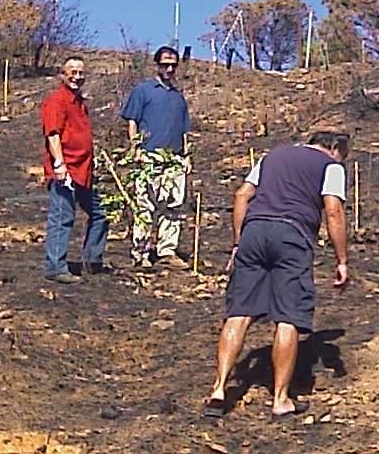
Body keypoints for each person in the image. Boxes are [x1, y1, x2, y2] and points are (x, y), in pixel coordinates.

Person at [206, 131, 351, 419]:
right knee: (288, 317)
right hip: (292, 235)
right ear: (334, 148)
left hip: (254, 232)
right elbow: (333, 211)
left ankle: (219, 389)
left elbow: (242, 195)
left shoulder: (272, 156)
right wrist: (342, 260)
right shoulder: (330, 166)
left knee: (239, 313)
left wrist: (238, 243)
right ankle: (281, 399)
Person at [120, 45, 193, 270]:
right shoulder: (143, 91)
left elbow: (184, 130)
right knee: (144, 205)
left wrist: (186, 156)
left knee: (173, 205)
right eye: (165, 65)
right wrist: (135, 149)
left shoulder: (178, 97)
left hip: (174, 159)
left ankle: (167, 251)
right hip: (148, 157)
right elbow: (132, 121)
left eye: (173, 66)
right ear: (157, 65)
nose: (169, 69)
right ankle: (141, 252)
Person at [40, 56, 108, 284]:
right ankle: (55, 267)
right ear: (63, 75)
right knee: (62, 218)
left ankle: (92, 260)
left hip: (84, 171)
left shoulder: (80, 103)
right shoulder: (56, 101)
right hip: (66, 171)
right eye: (73, 72)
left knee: (101, 213)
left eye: (81, 73)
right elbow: (53, 134)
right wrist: (59, 164)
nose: (77, 77)